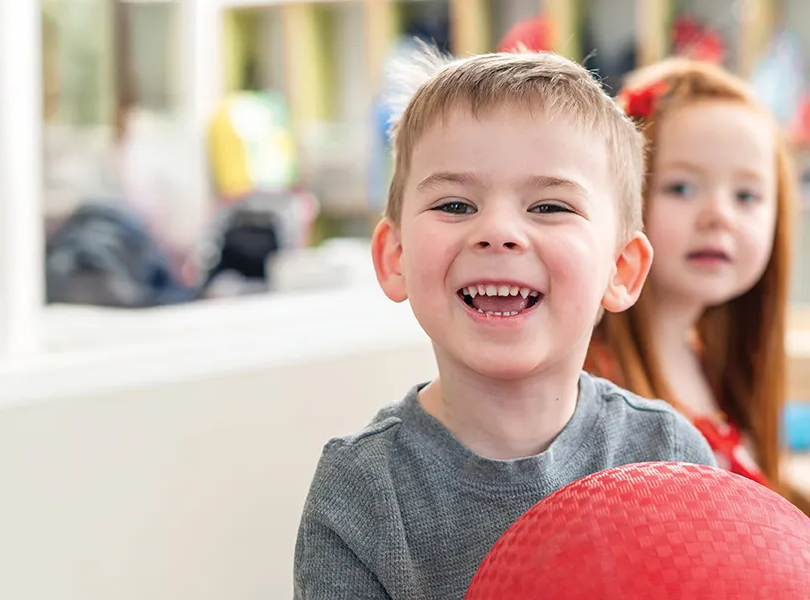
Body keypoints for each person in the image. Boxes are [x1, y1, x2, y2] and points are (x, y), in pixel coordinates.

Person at [292, 48, 718, 600]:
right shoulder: (361, 493)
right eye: (455, 205)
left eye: (549, 207)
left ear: (620, 269)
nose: (497, 231)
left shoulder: (669, 456)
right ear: (395, 256)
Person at [584, 59, 796, 490]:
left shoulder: (713, 362)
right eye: (681, 187)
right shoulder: (591, 387)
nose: (719, 216)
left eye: (746, 195)